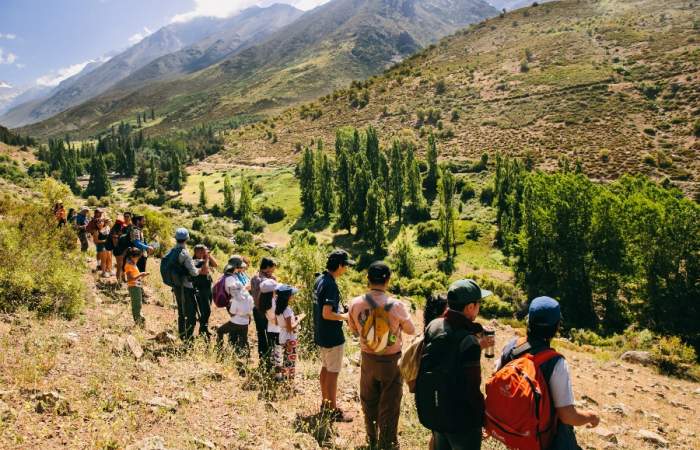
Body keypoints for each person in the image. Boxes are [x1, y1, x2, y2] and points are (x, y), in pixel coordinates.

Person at [494, 297, 600, 450]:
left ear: (528, 322)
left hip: (511, 429)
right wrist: (591, 416)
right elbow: (567, 415)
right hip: (539, 439)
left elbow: (496, 375)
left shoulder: (511, 346)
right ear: (556, 328)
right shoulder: (555, 363)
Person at [417, 279, 495, 450]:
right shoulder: (469, 341)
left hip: (437, 411)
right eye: (478, 303)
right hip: (462, 421)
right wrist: (482, 418)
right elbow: (472, 388)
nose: (479, 307)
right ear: (469, 307)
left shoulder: (434, 325)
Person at [348, 261, 416, 450]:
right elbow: (411, 330)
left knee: (369, 399)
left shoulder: (355, 303)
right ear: (388, 280)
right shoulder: (397, 305)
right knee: (390, 402)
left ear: (368, 279)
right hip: (391, 362)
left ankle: (371, 437)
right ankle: (387, 442)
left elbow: (353, 329)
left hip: (367, 359)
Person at [313, 249, 356, 421]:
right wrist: (345, 316)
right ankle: (332, 410)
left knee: (325, 368)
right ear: (339, 265)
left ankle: (325, 403)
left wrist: (338, 310)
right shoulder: (331, 284)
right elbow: (327, 313)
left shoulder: (320, 279)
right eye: (345, 266)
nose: (346, 269)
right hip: (332, 334)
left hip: (321, 332)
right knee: (333, 373)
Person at [169, 228, 208, 342]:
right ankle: (188, 339)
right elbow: (194, 273)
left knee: (181, 312)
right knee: (191, 316)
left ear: (176, 239)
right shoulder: (185, 253)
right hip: (186, 287)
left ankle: (182, 335)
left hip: (176, 286)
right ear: (187, 239)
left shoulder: (172, 251)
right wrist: (201, 269)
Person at [216, 256, 254, 362]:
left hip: (236, 307)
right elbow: (237, 295)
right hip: (239, 307)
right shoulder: (232, 278)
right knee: (241, 333)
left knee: (236, 330)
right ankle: (241, 354)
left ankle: (233, 352)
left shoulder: (231, 277)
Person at [250, 257, 278, 364]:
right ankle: (271, 358)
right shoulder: (270, 279)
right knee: (271, 334)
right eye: (271, 269)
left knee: (261, 334)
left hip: (257, 310)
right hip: (268, 311)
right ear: (266, 267)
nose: (272, 272)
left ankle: (263, 358)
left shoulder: (254, 278)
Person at [275, 284, 301, 383]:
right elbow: (290, 328)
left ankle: (281, 378)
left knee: (283, 358)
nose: (293, 296)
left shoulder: (278, 308)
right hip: (290, 338)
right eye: (292, 295)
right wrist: (298, 320)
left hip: (282, 335)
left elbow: (279, 323)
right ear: (288, 297)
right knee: (290, 360)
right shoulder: (287, 310)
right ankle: (289, 382)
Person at [193, 244, 218, 339]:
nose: (205, 252)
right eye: (203, 251)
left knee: (207, 310)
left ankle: (204, 329)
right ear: (197, 252)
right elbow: (204, 271)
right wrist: (206, 258)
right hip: (200, 288)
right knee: (206, 311)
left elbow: (216, 265)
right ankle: (202, 330)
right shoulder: (194, 261)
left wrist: (209, 256)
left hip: (207, 288)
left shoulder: (204, 259)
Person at [124, 248, 149, 326]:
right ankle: (138, 321)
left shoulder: (133, 264)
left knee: (139, 303)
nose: (138, 259)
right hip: (133, 287)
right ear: (132, 256)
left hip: (137, 286)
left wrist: (142, 276)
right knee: (136, 304)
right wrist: (141, 274)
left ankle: (140, 319)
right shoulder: (128, 265)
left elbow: (135, 276)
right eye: (137, 258)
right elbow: (129, 278)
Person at [110, 220, 127, 286]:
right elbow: (115, 244)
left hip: (120, 250)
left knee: (122, 265)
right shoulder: (115, 232)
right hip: (118, 251)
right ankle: (118, 281)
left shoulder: (116, 231)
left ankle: (122, 278)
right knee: (119, 266)